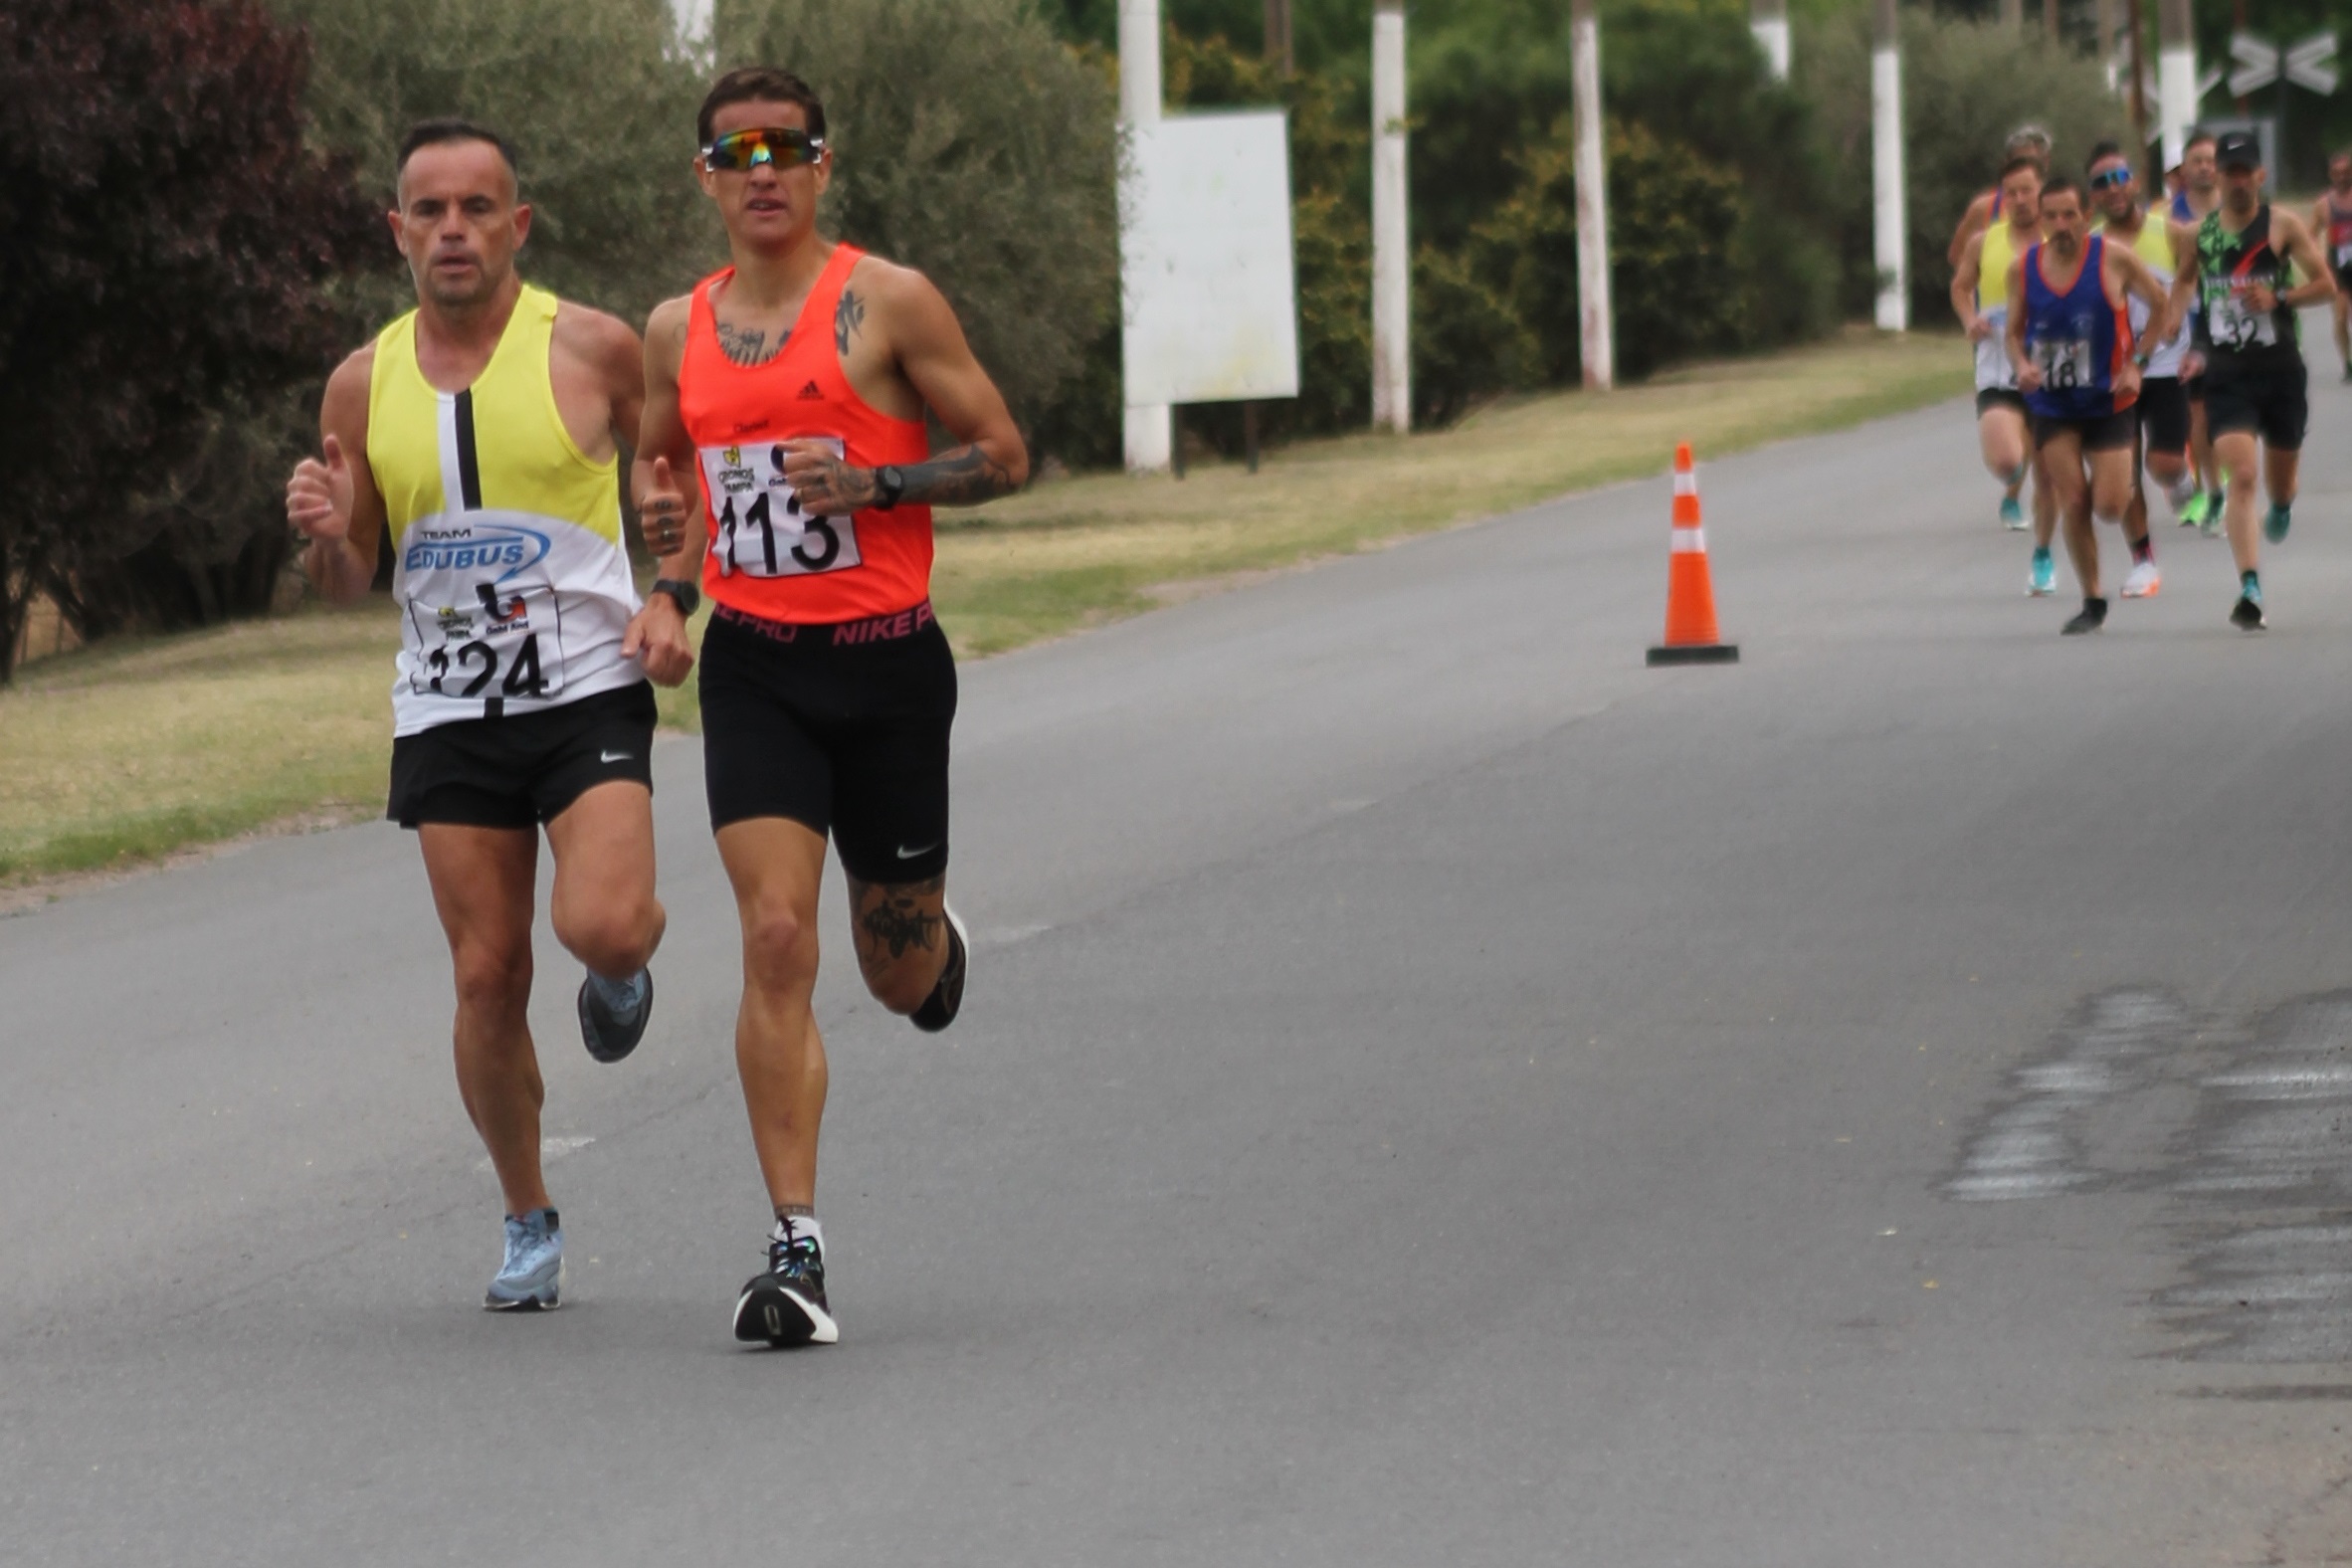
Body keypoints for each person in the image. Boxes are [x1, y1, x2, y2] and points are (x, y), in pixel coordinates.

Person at [633, 66, 1030, 1347]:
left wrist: (877, 481)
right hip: (758, 671)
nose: (762, 170)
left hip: (889, 666)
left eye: (785, 148)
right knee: (772, 940)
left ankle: (933, 948)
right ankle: (795, 1251)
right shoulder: (672, 329)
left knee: (894, 972)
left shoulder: (887, 300)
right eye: (736, 152)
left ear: (821, 164)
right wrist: (669, 586)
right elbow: (670, 473)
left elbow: (1006, 453)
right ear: (706, 178)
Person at [285, 120, 691, 1309]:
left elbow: (676, 484)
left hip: (584, 685)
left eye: (477, 208)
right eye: (430, 210)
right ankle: (528, 1218)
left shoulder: (597, 348)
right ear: (396, 229)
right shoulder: (363, 382)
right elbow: (349, 578)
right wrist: (325, 536)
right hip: (449, 708)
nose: (452, 229)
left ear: (519, 225)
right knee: (484, 976)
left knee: (607, 926)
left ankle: (620, 978)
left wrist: (672, 590)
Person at [2166, 129, 2335, 630]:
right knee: (2241, 475)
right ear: (2216, 176)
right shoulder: (2202, 234)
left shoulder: (2281, 226)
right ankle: (2250, 585)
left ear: (2260, 175)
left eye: (2246, 172)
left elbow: (2325, 284)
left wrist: (2279, 298)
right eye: (2229, 172)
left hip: (2279, 366)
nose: (2238, 181)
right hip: (2228, 371)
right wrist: (2174, 320)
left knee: (2280, 482)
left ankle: (2282, 505)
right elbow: (2183, 279)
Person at [2007, 174, 2173, 634]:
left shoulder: (2114, 260)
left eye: (2069, 215)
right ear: (2041, 219)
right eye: (2051, 216)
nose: (2060, 225)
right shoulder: (2023, 268)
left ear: (2086, 216)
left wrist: (2138, 361)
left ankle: (2132, 534)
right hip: (2053, 405)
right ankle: (2092, 598)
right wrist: (2021, 365)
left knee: (2109, 503)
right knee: (2072, 498)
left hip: (2109, 399)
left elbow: (2160, 306)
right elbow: (2012, 333)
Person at [2087, 142, 2196, 594]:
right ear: (2091, 195)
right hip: (2117, 373)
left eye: (2119, 177)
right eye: (2101, 183)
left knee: (2163, 463)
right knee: (2123, 471)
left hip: (2167, 365)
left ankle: (2181, 477)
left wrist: (2176, 309)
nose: (2112, 189)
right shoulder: (2091, 244)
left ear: (2133, 181)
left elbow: (2191, 275)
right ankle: (2143, 561)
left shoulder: (2170, 232)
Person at [1953, 155, 2060, 591]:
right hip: (1999, 364)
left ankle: (2042, 557)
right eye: (2010, 192)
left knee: (2050, 472)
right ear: (2001, 198)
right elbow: (1960, 285)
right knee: (2007, 459)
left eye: (2028, 190)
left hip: (2053, 368)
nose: (2019, 199)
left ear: (2042, 192)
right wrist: (1969, 319)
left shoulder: (2062, 239)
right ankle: (2014, 485)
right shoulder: (1985, 241)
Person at [2170, 131, 2226, 532]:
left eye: (2211, 159)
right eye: (2197, 161)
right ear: (2183, 171)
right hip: (2191, 321)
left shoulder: (2241, 209)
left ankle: (2230, 474)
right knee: (2199, 411)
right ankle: (2211, 488)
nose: (2205, 166)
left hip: (2234, 317)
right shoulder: (2169, 217)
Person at [1948, 124, 2055, 270]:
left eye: (2033, 162)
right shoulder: (1985, 207)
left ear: (2046, 163)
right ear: (2007, 164)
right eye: (2019, 162)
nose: (2026, 169)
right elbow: (1956, 255)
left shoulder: (2061, 207)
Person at [2310, 150, 2352, 380]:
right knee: (2340, 318)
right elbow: (2310, 237)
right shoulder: (2324, 205)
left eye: (2346, 172)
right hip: (2338, 270)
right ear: (2330, 175)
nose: (2341, 177)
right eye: (2337, 173)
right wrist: (2316, 263)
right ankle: (2348, 362)